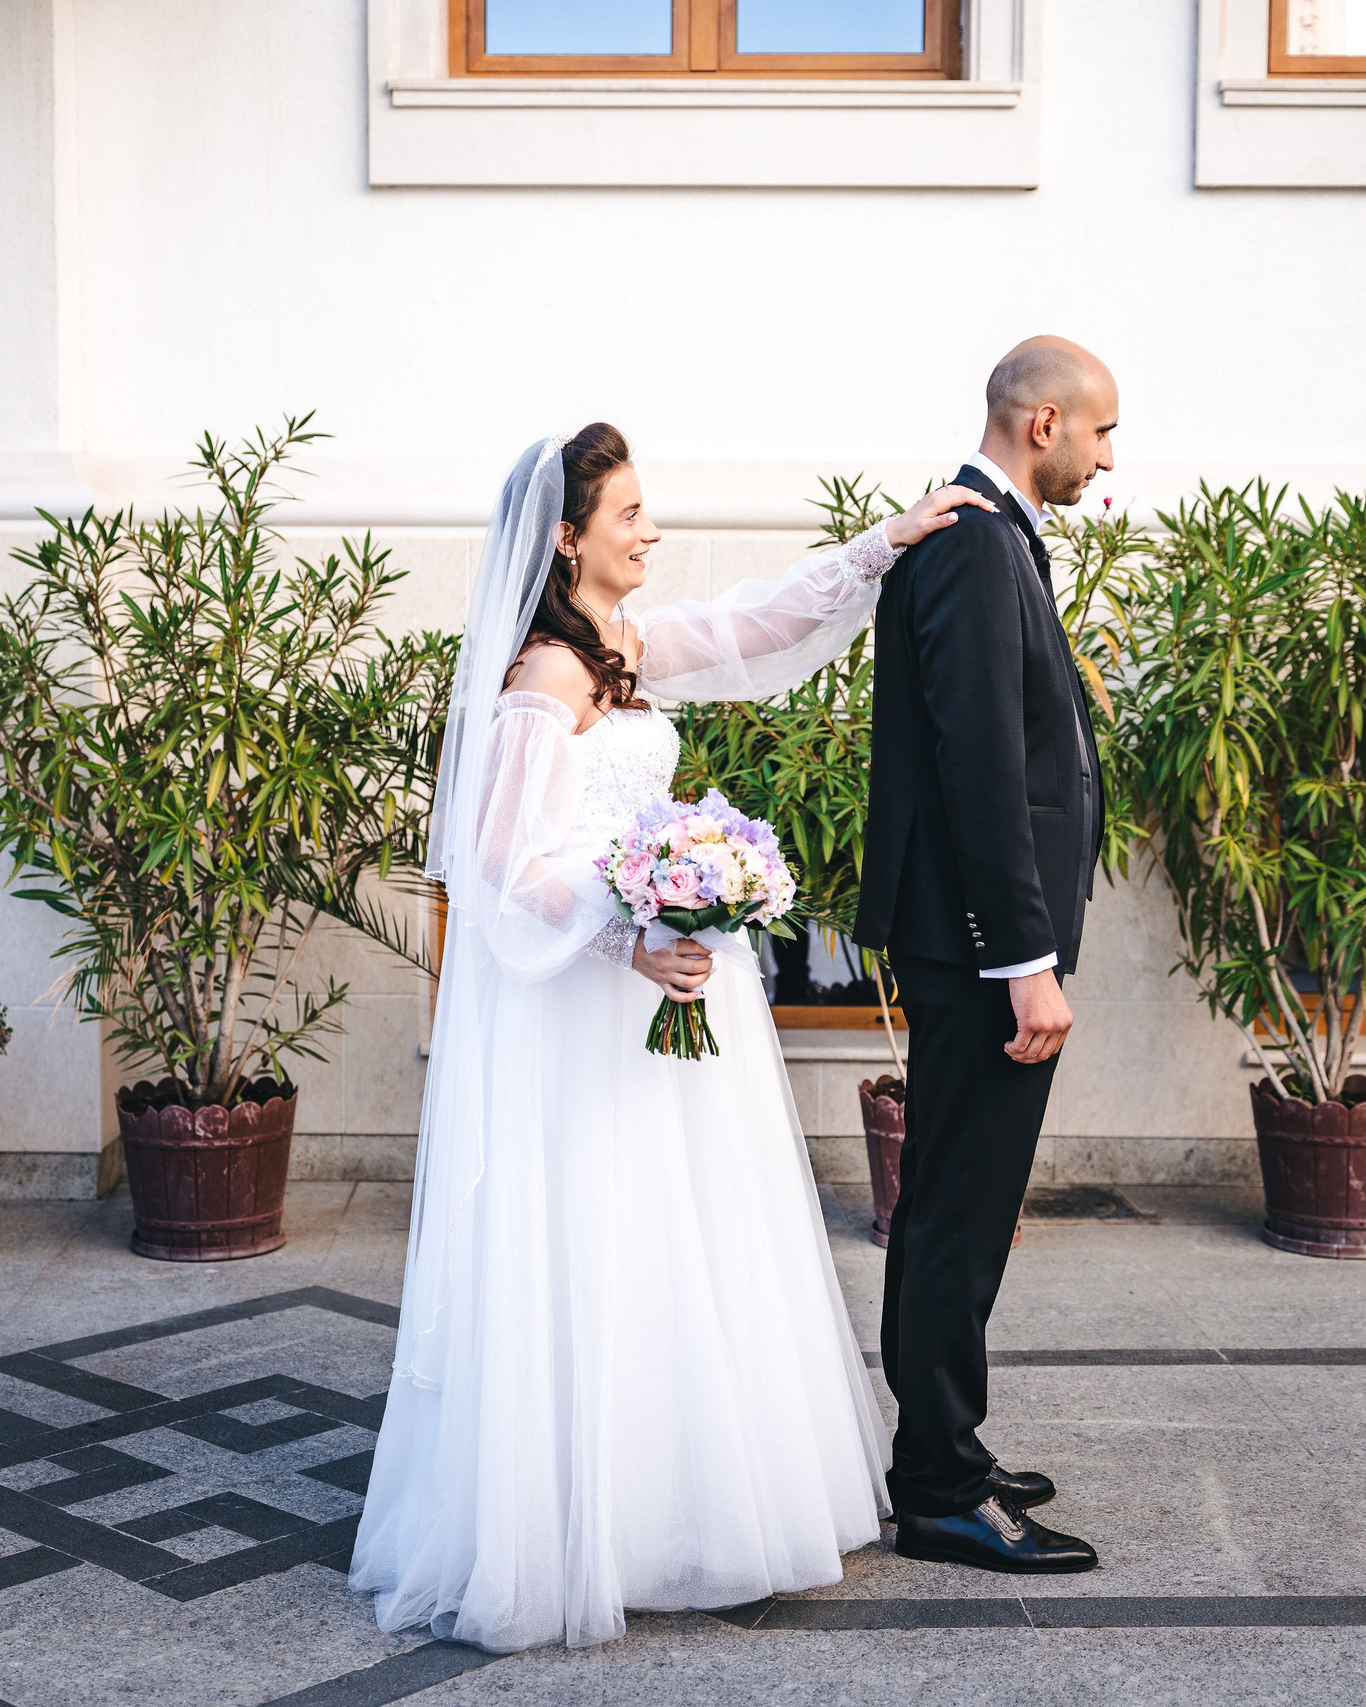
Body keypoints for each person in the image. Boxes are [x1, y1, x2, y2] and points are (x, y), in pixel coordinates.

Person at [350, 423, 994, 1652]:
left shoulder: (627, 646)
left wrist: (882, 545)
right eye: (630, 513)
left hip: (674, 988)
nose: (651, 531)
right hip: (593, 1005)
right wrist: (627, 934)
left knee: (685, 1234)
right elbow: (500, 867)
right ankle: (592, 1522)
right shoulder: (543, 680)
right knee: (607, 1232)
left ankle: (681, 1497)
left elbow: (756, 622)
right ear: (566, 537)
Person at [855, 336, 1118, 1573]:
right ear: (1044, 422)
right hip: (979, 952)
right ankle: (940, 1488)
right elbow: (978, 766)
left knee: (953, 1204)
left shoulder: (990, 533)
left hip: (979, 947)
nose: (1108, 459)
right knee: (961, 1212)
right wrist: (1021, 957)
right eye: (1103, 433)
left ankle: (941, 1443)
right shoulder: (969, 542)